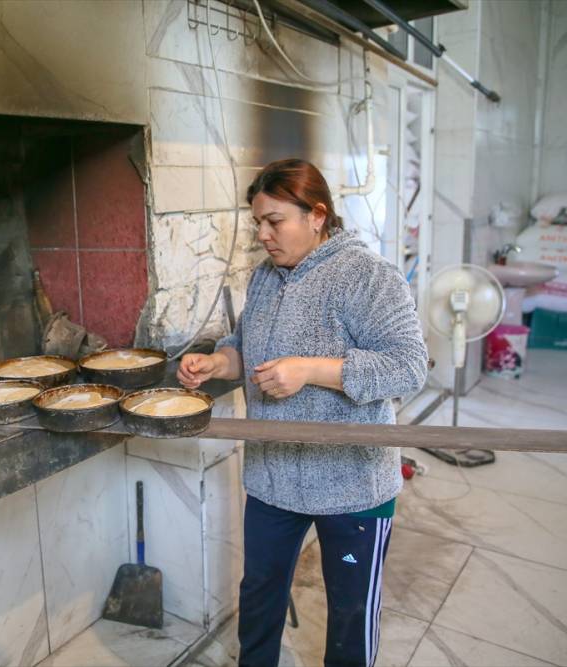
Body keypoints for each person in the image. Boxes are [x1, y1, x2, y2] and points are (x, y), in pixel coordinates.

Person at [177, 159, 428, 667]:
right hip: (274, 477)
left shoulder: (366, 275)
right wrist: (218, 362)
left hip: (353, 482)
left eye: (275, 222)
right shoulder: (267, 279)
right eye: (258, 224)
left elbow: (408, 366)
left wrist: (312, 370)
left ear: (317, 215)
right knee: (261, 594)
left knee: (350, 614)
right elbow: (246, 346)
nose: (264, 236)